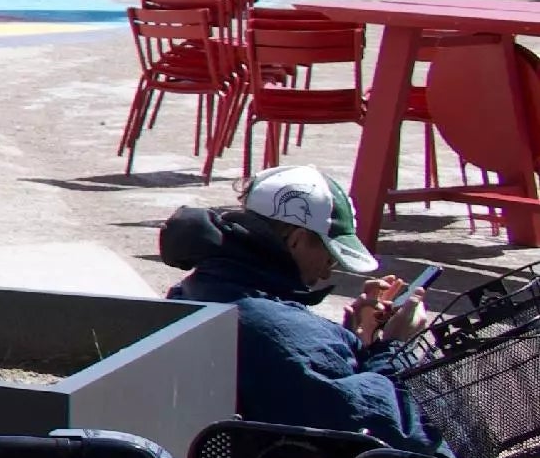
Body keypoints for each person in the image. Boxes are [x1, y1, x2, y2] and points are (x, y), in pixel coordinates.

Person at [164, 161, 429, 442]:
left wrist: (352, 343)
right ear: (297, 240)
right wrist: (396, 347)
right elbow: (387, 430)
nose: (326, 272)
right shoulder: (282, 329)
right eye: (329, 257)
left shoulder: (193, 291)